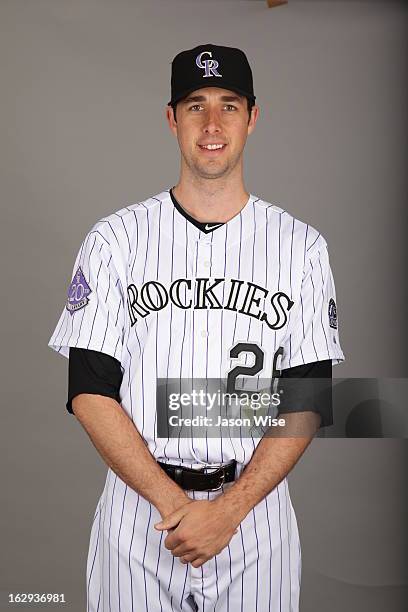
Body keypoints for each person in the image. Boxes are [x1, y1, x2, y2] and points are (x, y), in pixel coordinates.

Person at [48, 43, 345, 612]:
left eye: (229, 105)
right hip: (140, 514)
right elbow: (89, 392)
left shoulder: (301, 247)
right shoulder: (115, 240)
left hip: (253, 520)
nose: (212, 123)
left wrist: (227, 512)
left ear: (252, 117)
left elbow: (308, 398)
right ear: (172, 119)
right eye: (195, 105)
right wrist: (174, 505)